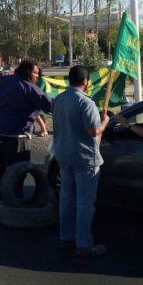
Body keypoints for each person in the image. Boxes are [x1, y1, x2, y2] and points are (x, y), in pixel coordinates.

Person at [52, 65, 110, 257]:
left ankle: (65, 237)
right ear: (85, 81)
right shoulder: (86, 102)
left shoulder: (59, 100)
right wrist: (105, 122)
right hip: (84, 158)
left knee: (66, 199)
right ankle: (84, 244)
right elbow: (93, 131)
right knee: (85, 203)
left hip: (63, 154)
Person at [0, 59, 52, 213]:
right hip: (17, 135)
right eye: (36, 73)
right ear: (28, 72)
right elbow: (49, 105)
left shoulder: (1, 81)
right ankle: (15, 202)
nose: (37, 76)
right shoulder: (29, 87)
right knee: (18, 170)